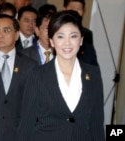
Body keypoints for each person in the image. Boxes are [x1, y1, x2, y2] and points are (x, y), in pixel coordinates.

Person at [18, 10, 105, 141]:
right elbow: (26, 125)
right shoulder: (37, 75)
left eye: (73, 36)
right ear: (52, 41)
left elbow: (96, 123)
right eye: (60, 36)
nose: (67, 43)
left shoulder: (93, 74)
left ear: (81, 40)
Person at [0, 14, 37, 141]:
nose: (0, 35)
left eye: (6, 30)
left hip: (20, 135)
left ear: (16, 35)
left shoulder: (31, 66)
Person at [63, 0, 99, 66]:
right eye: (72, 8)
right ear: (64, 9)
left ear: (83, 11)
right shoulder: (56, 31)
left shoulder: (87, 34)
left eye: (79, 9)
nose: (75, 11)